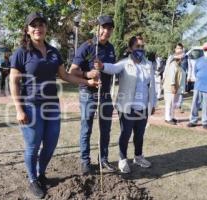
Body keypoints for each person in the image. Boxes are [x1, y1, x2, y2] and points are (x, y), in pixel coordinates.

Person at [9, 12, 98, 198]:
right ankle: (33, 180)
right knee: (33, 145)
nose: (38, 28)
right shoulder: (21, 53)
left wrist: (87, 82)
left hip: (52, 106)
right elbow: (13, 82)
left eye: (41, 24)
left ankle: (41, 174)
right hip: (30, 106)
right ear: (27, 29)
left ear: (46, 28)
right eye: (33, 25)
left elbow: (65, 76)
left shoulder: (53, 51)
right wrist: (18, 109)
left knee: (50, 144)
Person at [94, 35, 156, 173]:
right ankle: (122, 159)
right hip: (127, 107)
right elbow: (112, 68)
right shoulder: (124, 63)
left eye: (142, 46)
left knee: (139, 134)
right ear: (130, 48)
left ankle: (138, 157)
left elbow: (152, 86)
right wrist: (102, 66)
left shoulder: (148, 65)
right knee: (125, 133)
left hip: (142, 107)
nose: (140, 49)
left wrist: (153, 103)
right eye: (137, 46)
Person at [69, 15, 116, 175]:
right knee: (86, 128)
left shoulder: (111, 48)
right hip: (88, 93)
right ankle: (85, 161)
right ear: (97, 28)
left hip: (105, 94)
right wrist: (88, 74)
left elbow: (112, 69)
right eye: (103, 27)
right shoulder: (87, 46)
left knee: (106, 129)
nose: (106, 31)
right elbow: (72, 71)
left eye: (109, 28)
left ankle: (103, 159)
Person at [163, 49, 185, 125]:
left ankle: (171, 117)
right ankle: (167, 118)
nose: (183, 59)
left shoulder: (178, 65)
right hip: (170, 88)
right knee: (169, 103)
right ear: (179, 58)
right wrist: (173, 86)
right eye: (183, 58)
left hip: (175, 88)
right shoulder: (173, 65)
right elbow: (172, 77)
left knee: (173, 104)